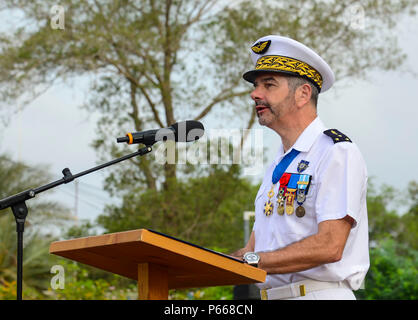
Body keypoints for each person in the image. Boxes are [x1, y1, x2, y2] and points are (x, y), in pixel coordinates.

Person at [231, 35, 369, 300]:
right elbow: (254, 248)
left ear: (303, 94)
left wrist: (250, 260)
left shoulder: (335, 151)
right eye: (256, 85)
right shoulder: (279, 162)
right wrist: (190, 261)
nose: (254, 94)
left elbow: (329, 246)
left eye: (268, 85)